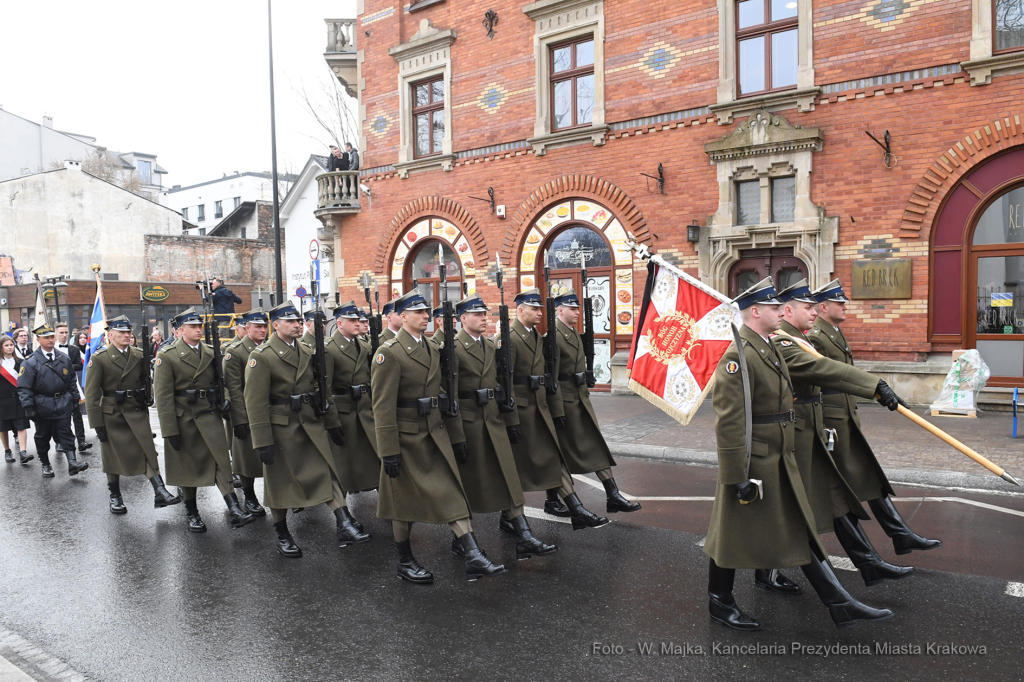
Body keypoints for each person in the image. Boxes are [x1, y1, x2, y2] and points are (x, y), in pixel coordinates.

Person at [704, 278, 892, 632]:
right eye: (775, 307)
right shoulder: (737, 358)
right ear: (755, 311)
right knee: (729, 535)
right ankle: (720, 601)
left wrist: (873, 387)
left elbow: (821, 370)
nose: (782, 312)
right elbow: (729, 422)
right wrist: (736, 476)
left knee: (794, 529)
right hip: (755, 461)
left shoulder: (770, 347)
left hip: (780, 455)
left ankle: (840, 603)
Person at [754, 280, 914, 593]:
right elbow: (824, 370)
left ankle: (869, 563)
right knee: (790, 508)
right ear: (788, 310)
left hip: (812, 432)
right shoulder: (782, 341)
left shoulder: (797, 337)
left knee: (836, 498)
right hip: (795, 436)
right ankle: (764, 576)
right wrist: (874, 385)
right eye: (807, 307)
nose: (815, 312)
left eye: (815, 306)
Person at [371, 290, 505, 583]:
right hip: (406, 439)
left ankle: (473, 554)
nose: (424, 316)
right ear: (402, 316)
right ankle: (405, 560)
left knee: (451, 492)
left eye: (426, 312)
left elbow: (446, 397)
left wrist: (456, 437)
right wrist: (388, 451)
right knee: (401, 505)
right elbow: (381, 407)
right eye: (418, 312)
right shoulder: (389, 354)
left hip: (434, 434)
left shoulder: (433, 349)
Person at [808, 279, 942, 556]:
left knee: (867, 476)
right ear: (823, 307)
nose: (845, 306)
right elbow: (824, 380)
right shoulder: (815, 337)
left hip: (845, 418)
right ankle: (875, 551)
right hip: (830, 422)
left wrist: (876, 394)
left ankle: (900, 535)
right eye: (839, 302)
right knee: (839, 489)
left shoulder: (833, 332)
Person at [446, 294, 556, 559]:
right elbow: (448, 395)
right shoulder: (453, 349)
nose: (484, 319)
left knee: (508, 477)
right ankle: (461, 539)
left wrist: (510, 422)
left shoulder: (490, 345)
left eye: (485, 314)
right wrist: (456, 435)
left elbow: (502, 386)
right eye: (477, 315)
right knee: (468, 483)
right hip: (470, 424)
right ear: (462, 319)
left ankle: (524, 535)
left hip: (493, 420)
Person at [243, 302, 353, 557]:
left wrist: (332, 421)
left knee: (327, 472)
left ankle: (344, 521)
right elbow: (255, 402)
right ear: (276, 325)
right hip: (280, 429)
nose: (296, 325)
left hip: (309, 423)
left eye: (298, 321)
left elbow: (319, 388)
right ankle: (282, 533)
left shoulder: (306, 350)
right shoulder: (262, 356)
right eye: (289, 321)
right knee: (279, 484)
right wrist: (261, 441)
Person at [508, 289, 608, 530]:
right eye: (535, 309)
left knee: (549, 459)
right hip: (521, 411)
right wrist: (511, 419)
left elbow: (548, 377)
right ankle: (574, 509)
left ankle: (573, 509)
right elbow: (505, 382)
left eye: (541, 309)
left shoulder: (536, 337)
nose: (540, 313)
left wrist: (555, 410)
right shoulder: (509, 338)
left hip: (539, 408)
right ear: (520, 310)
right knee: (514, 466)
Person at [154, 308, 254, 532]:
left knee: (221, 463)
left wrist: (225, 401)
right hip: (184, 419)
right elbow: (163, 396)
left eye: (200, 326)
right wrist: (169, 430)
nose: (198, 330)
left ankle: (234, 508)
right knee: (187, 468)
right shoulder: (167, 356)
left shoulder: (211, 352)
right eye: (193, 326)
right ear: (181, 330)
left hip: (209, 415)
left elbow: (224, 382)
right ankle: (192, 513)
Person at [550, 290, 640, 514]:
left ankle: (613, 494)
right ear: (559, 310)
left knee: (594, 445)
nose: (577, 312)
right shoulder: (553, 336)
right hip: (566, 402)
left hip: (580, 399)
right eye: (572, 308)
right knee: (560, 451)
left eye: (578, 308)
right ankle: (553, 500)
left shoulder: (573, 333)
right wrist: (557, 410)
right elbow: (550, 378)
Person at [84, 315, 180, 515]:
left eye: (129, 332)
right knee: (112, 456)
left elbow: (146, 381)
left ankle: (159, 491)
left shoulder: (138, 354)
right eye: (122, 332)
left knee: (147, 450)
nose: (127, 335)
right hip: (113, 413)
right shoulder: (99, 358)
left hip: (136, 410)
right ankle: (115, 496)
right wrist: (97, 424)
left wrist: (149, 396)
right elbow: (92, 394)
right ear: (111, 335)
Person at [322, 301, 380, 531]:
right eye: (353, 321)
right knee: (342, 467)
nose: (358, 324)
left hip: (365, 412)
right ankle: (343, 520)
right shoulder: (330, 349)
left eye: (359, 320)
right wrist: (331, 420)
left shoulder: (365, 347)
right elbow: (324, 388)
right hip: (344, 413)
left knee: (376, 460)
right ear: (340, 323)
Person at [17, 324, 89, 478]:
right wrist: (28, 406)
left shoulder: (63, 358)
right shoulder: (30, 361)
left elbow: (71, 380)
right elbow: (24, 387)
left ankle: (72, 463)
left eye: (51, 337)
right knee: (43, 436)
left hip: (62, 401)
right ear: (38, 340)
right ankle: (45, 464)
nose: (50, 340)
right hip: (42, 404)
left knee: (66, 433)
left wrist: (74, 398)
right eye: (46, 337)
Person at [222, 309, 270, 517]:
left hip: (270, 410)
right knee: (247, 460)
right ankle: (249, 497)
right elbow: (234, 389)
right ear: (247, 328)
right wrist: (238, 419)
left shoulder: (269, 348)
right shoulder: (236, 352)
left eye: (264, 326)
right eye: (257, 326)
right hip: (246, 413)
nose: (262, 330)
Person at [54, 322, 91, 453]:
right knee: (59, 416)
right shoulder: (51, 349)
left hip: (72, 385)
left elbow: (80, 365)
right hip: (55, 387)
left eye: (66, 332)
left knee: (77, 414)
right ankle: (59, 441)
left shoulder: (74, 349)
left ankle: (81, 441)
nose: (64, 335)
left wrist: (67, 367)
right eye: (61, 333)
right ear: (56, 334)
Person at [1, 336, 32, 464]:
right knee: (3, 427)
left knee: (21, 426)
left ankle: (23, 452)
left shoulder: (21, 362)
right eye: (6, 345)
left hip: (19, 399)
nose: (10, 347)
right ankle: (7, 450)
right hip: (2, 400)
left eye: (11, 345)